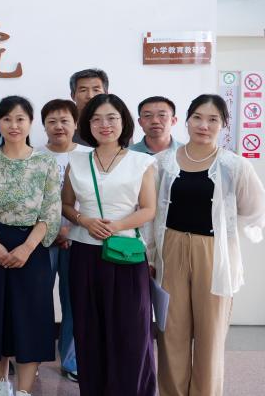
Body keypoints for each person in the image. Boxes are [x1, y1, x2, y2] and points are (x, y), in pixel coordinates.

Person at [148, 94, 265, 396]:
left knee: (210, 335)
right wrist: (150, 254)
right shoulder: (163, 162)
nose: (204, 125)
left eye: (213, 119)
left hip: (213, 253)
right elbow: (152, 212)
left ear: (223, 125)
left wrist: (230, 231)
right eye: (198, 117)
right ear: (186, 121)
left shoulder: (234, 165)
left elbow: (255, 209)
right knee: (170, 331)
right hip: (171, 248)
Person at [61, 93, 157, 396]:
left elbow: (148, 209)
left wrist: (116, 226)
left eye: (112, 118)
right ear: (87, 125)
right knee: (89, 330)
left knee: (131, 333)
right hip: (84, 254)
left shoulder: (142, 162)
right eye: (96, 119)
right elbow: (66, 204)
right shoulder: (76, 160)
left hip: (126, 254)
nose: (105, 124)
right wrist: (84, 220)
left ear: (123, 121)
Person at [0, 96, 61, 396]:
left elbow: (51, 211)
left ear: (30, 123)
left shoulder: (45, 162)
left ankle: (24, 390)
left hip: (32, 247)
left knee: (31, 317)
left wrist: (27, 248)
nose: (14, 125)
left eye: (20, 119)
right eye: (7, 119)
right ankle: (0, 383)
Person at [35, 99, 90, 383]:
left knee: (74, 301)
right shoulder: (35, 156)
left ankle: (71, 360)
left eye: (65, 120)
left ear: (75, 124)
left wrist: (70, 230)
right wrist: (53, 230)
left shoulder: (88, 155)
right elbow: (29, 201)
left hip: (79, 238)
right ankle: (32, 355)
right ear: (43, 125)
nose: (58, 126)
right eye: (52, 121)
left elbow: (95, 199)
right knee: (36, 299)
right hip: (41, 239)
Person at [68, 68, 108, 147]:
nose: (90, 96)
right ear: (73, 96)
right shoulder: (64, 124)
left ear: (106, 94)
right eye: (83, 90)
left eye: (96, 90)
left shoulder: (118, 122)